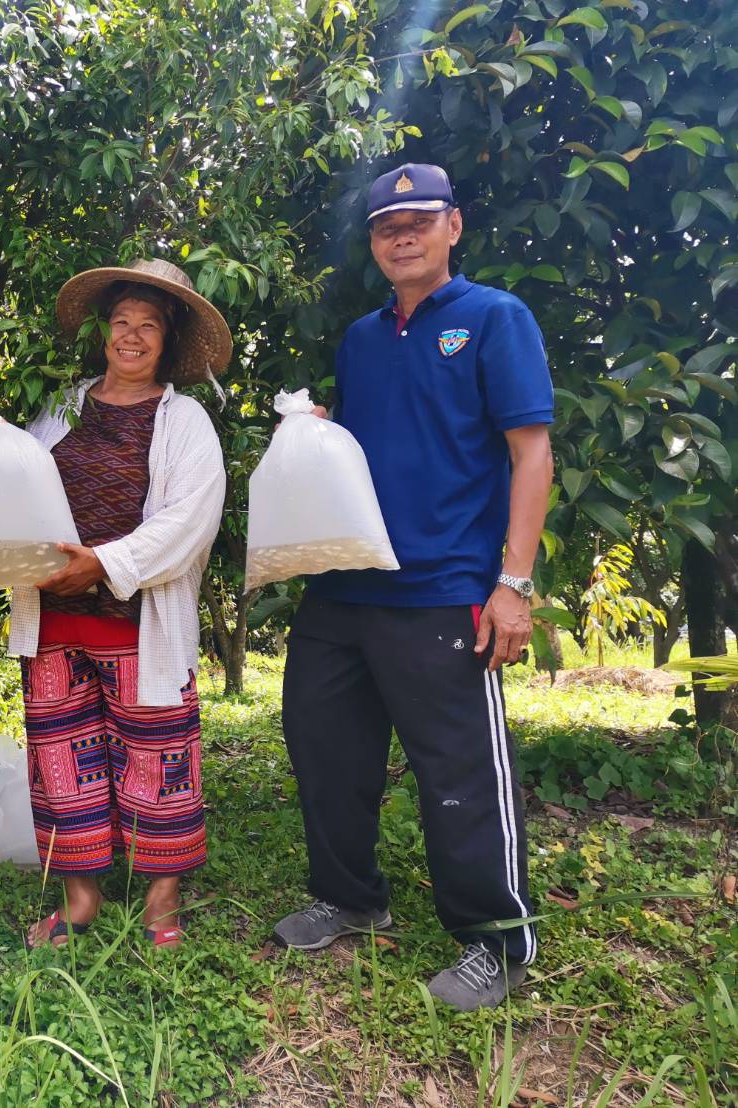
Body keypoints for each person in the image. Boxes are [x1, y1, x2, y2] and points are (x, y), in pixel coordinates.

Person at [273, 163, 555, 1010]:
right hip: (344, 588)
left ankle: (494, 941)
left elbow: (529, 453)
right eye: (386, 226)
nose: (402, 235)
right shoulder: (360, 339)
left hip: (444, 589)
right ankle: (351, 896)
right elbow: (369, 453)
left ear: (452, 227)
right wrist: (319, 435)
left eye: (419, 220)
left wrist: (513, 581)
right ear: (373, 243)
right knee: (323, 749)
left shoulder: (493, 318)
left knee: (458, 771)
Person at [9, 258, 228, 950]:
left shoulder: (184, 420)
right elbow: (19, 490)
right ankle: (80, 900)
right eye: (121, 323)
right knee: (62, 761)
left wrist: (102, 565)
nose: (131, 337)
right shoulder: (61, 408)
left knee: (156, 758)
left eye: (149, 327)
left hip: (140, 625)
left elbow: (190, 521)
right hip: (54, 620)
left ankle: (160, 902)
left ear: (167, 343)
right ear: (104, 332)